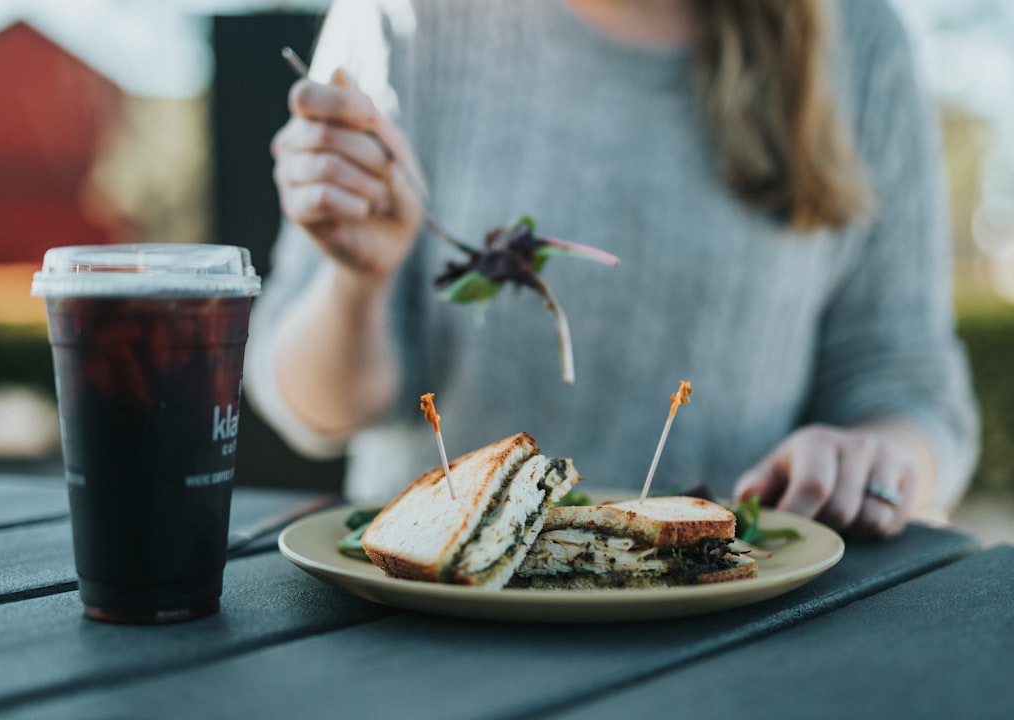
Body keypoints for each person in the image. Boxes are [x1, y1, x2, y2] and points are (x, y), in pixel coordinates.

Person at [246, 0, 980, 538]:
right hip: (428, 625)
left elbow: (909, 392)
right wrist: (358, 277)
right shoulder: (408, 18)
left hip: (734, 629)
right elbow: (316, 411)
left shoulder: (860, 43)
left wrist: (872, 461)